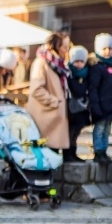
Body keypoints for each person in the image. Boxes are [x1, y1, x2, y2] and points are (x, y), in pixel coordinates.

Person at [26, 32, 71, 162]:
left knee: (52, 156)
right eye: (64, 47)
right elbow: (36, 89)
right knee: (44, 157)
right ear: (55, 47)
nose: (67, 51)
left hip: (54, 119)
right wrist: (55, 102)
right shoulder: (42, 63)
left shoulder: (59, 65)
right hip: (45, 119)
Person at [88, 33, 112, 165]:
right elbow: (93, 89)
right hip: (101, 106)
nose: (107, 51)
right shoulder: (97, 68)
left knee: (107, 130)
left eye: (109, 48)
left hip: (110, 106)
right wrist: (95, 106)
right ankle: (98, 151)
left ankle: (104, 150)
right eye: (104, 49)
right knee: (99, 129)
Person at [66, 45, 90, 164]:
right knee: (70, 131)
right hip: (71, 109)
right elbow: (76, 90)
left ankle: (74, 152)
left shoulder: (87, 74)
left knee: (76, 132)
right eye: (76, 61)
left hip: (82, 109)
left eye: (81, 61)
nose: (79, 64)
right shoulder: (69, 74)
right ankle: (68, 153)